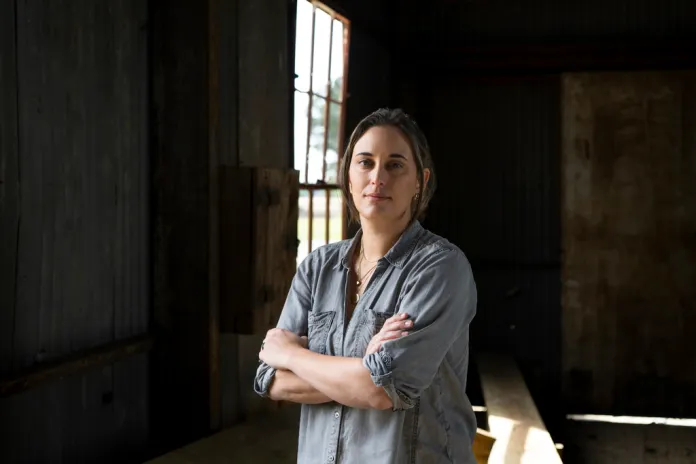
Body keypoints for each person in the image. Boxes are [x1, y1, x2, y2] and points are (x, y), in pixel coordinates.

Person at [254, 108, 478, 463]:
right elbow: (272, 380)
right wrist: (361, 367)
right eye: (365, 162)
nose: (377, 177)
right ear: (348, 176)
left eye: (395, 165)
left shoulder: (440, 267)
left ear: (420, 180)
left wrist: (292, 355)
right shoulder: (317, 267)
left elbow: (382, 390)